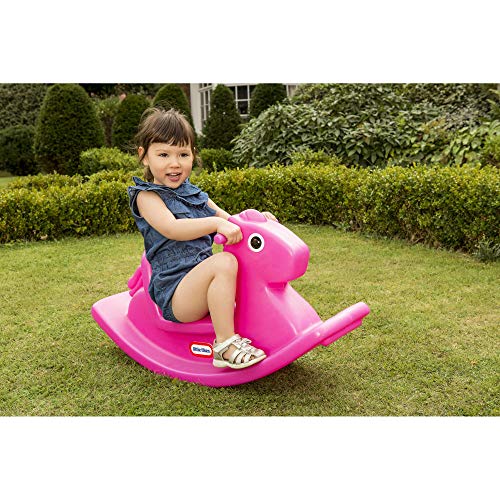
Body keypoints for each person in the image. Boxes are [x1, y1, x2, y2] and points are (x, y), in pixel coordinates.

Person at [128, 108, 276, 369]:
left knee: (240, 263)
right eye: (163, 155)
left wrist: (257, 222)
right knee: (224, 262)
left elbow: (230, 221)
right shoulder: (147, 197)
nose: (175, 163)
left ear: (193, 156)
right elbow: (172, 228)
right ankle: (225, 345)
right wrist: (216, 223)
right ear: (144, 156)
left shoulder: (195, 194)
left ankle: (266, 326)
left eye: (183, 155)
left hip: (201, 287)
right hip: (177, 294)